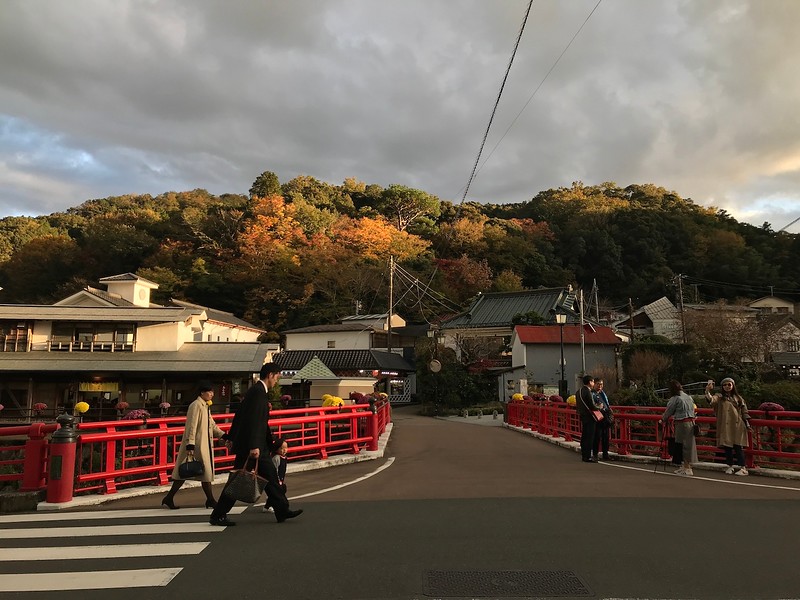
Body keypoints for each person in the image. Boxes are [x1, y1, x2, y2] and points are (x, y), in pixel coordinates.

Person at [209, 363, 303, 526]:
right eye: (277, 376)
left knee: (271, 478)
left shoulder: (256, 392)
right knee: (239, 480)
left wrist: (234, 438)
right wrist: (254, 446)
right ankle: (218, 514)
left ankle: (282, 510)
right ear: (271, 375)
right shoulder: (259, 393)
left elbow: (244, 417)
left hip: (257, 445)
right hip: (252, 447)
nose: (277, 380)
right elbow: (254, 422)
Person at [162, 381, 225, 509]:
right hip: (196, 445)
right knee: (190, 471)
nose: (212, 394)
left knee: (196, 473)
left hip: (203, 444)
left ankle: (170, 498)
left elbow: (212, 425)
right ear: (202, 392)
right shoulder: (196, 405)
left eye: (212, 391)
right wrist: (190, 444)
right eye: (209, 391)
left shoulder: (205, 406)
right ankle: (210, 500)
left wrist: (223, 435)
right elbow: (191, 426)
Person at [705, 377, 751, 476]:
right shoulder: (719, 397)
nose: (727, 386)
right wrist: (708, 390)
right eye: (725, 385)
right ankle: (730, 466)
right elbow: (711, 400)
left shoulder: (738, 398)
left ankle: (743, 467)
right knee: (727, 447)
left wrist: (747, 423)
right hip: (725, 425)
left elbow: (744, 411)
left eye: (729, 384)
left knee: (738, 446)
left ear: (733, 385)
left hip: (738, 424)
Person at [660, 380, 697, 476]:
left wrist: (663, 419)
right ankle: (685, 466)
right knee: (688, 445)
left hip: (681, 423)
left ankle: (687, 467)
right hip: (691, 422)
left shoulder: (675, 398)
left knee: (681, 445)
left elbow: (669, 411)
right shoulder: (688, 397)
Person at [263, 437, 288, 513]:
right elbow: (274, 470)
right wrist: (277, 480)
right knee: (277, 492)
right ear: (276, 449)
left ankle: (269, 505)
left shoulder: (283, 457)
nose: (284, 450)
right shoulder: (276, 458)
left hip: (280, 479)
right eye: (281, 448)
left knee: (279, 492)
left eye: (286, 448)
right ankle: (268, 506)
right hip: (275, 479)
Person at [576, 374, 598, 463]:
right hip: (589, 416)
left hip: (583, 415)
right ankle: (588, 456)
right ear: (590, 382)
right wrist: (599, 407)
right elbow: (592, 405)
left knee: (585, 435)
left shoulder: (579, 391)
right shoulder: (588, 391)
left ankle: (584, 455)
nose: (593, 383)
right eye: (593, 381)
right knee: (590, 436)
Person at [592, 378, 613, 461]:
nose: (600, 386)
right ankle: (595, 454)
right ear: (594, 384)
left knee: (606, 436)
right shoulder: (592, 394)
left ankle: (605, 453)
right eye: (598, 384)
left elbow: (607, 404)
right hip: (597, 416)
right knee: (597, 436)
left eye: (601, 384)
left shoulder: (602, 394)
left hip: (605, 416)